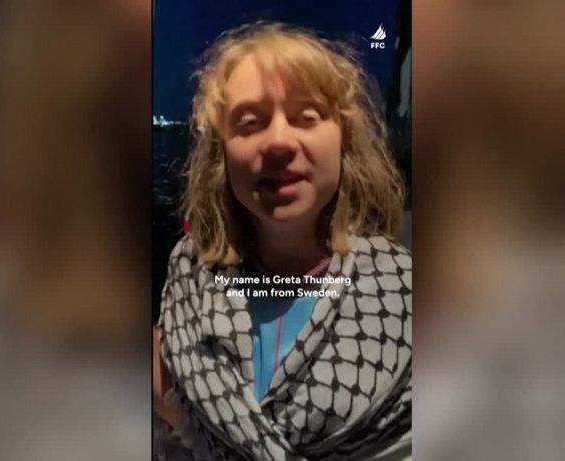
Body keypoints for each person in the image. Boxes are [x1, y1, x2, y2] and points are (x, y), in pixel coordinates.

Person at [153, 22, 412, 460]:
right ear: (222, 155)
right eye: (250, 123)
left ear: (344, 141)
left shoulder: (404, 291)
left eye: (306, 117)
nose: (278, 142)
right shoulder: (188, 282)